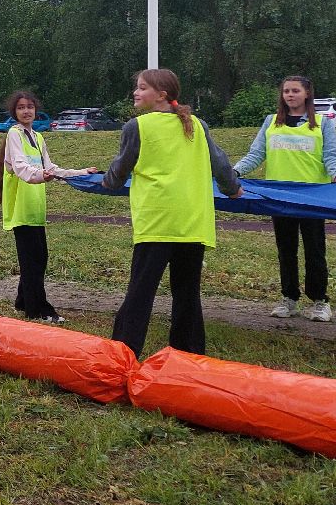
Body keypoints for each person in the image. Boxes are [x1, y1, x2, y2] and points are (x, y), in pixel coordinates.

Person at [101, 69, 241, 358]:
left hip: (157, 221)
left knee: (141, 291)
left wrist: (106, 181)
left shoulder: (137, 127)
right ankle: (188, 356)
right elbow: (221, 164)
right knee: (187, 293)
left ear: (161, 95)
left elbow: (120, 169)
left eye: (142, 88)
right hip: (192, 221)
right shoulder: (198, 125)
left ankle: (122, 354)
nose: (136, 93)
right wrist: (234, 189)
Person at [231, 75, 336, 322]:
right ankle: (289, 298)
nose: (290, 95)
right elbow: (256, 154)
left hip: (313, 197)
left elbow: (331, 155)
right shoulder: (271, 122)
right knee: (286, 249)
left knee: (315, 250)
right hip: (279, 196)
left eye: (295, 91)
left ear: (307, 94)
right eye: (286, 91)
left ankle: (320, 301)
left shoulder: (323, 124)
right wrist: (233, 172)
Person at [0, 90, 97, 324]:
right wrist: (42, 175)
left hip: (36, 209)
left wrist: (80, 173)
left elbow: (51, 167)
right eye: (21, 107)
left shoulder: (38, 137)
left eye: (29, 106)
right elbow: (21, 167)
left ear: (36, 110)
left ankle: (22, 300)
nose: (26, 111)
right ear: (14, 112)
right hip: (22, 209)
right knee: (33, 260)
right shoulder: (14, 134)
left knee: (38, 257)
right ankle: (38, 309)